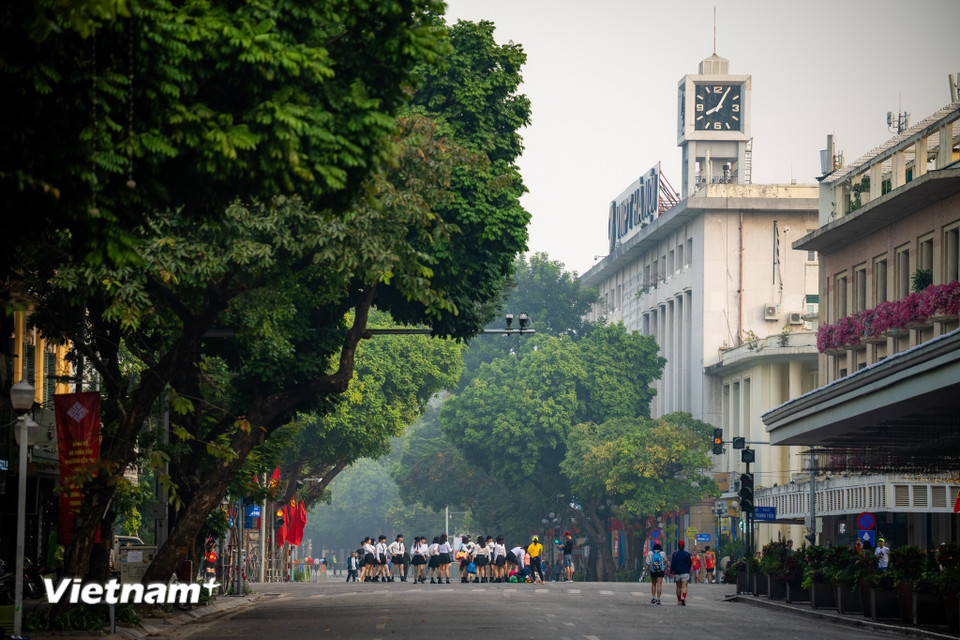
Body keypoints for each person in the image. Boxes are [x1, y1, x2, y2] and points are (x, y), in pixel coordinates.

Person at [670, 540, 693, 606]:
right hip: (685, 572)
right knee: (684, 586)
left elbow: (673, 564)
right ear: (684, 545)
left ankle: (679, 600)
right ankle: (683, 597)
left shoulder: (675, 554)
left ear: (678, 545)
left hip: (677, 573)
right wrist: (689, 569)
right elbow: (690, 563)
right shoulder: (687, 554)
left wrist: (671, 571)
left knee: (678, 587)